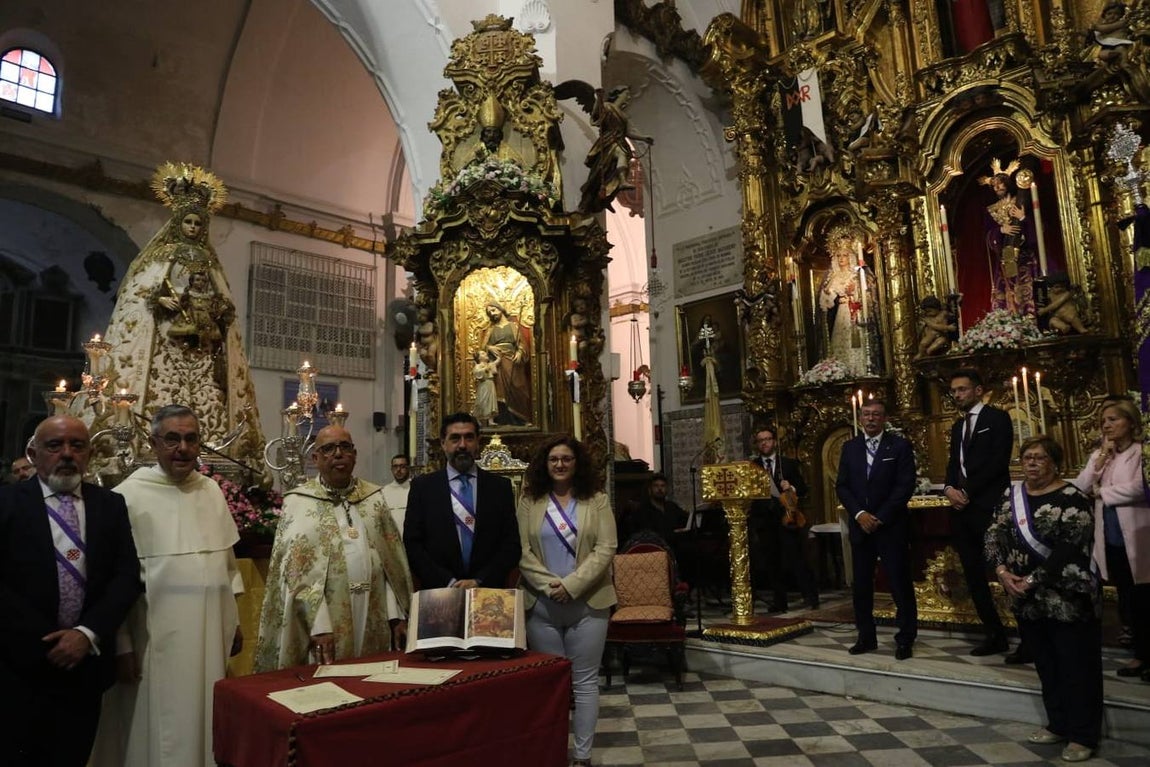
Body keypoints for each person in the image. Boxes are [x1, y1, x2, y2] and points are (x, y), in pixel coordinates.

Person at [96, 405, 243, 767]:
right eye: (173, 439)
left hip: (209, 632)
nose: (183, 448)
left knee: (205, 713)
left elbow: (227, 564)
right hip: (151, 640)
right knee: (155, 727)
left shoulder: (211, 490)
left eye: (191, 439)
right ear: (153, 443)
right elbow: (114, 581)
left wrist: (234, 621)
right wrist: (121, 646)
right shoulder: (128, 496)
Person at [102, 163, 267, 469]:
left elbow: (223, 302)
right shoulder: (159, 258)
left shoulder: (210, 262)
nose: (192, 228)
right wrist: (160, 300)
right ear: (178, 222)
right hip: (166, 347)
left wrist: (219, 310)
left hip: (204, 348)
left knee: (209, 400)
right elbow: (139, 298)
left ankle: (214, 449)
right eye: (188, 222)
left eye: (197, 223)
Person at [0, 415, 141, 767]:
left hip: (85, 667)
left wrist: (85, 633)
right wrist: (45, 641)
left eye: (77, 446)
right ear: (34, 454)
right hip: (17, 667)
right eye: (55, 445)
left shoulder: (110, 505)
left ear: (89, 454)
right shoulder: (6, 503)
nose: (66, 454)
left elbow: (126, 577)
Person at [254, 425, 412, 671]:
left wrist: (395, 615)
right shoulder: (300, 502)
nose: (338, 454)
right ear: (315, 458)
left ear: (354, 455)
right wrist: (319, 626)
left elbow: (390, 564)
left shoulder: (373, 499)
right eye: (328, 448)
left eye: (345, 447)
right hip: (324, 622)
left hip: (375, 611)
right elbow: (297, 575)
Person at [985, 436, 1100, 763]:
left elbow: (1070, 547)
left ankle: (1082, 735)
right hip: (1026, 599)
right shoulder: (1011, 496)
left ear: (1055, 463)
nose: (1032, 463)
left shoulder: (1072, 498)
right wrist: (1002, 571)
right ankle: (1058, 724)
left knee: (1075, 667)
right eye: (1027, 457)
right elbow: (992, 534)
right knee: (1047, 665)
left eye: (1040, 457)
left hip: (1065, 597)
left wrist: (1032, 579)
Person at [517, 435, 616, 767]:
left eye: (566, 459)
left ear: (577, 463)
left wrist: (571, 586)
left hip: (588, 604)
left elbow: (606, 548)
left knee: (585, 683)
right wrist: (549, 587)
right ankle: (553, 751)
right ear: (545, 464)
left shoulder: (597, 500)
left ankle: (582, 755)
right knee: (552, 686)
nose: (560, 464)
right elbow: (522, 551)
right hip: (542, 605)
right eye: (553, 459)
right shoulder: (530, 501)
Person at [1072, 398, 1150, 682]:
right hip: (1112, 537)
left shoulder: (1142, 452)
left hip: (1140, 533)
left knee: (1146, 597)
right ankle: (1141, 654)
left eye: (1113, 419)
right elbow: (1081, 485)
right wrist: (1100, 459)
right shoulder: (1101, 455)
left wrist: (1103, 493)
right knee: (1128, 597)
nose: (1106, 425)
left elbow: (1142, 487)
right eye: (1103, 421)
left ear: (1130, 422)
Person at [835, 400, 918, 659]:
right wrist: (860, 514)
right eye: (867, 414)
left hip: (890, 526)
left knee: (899, 583)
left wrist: (880, 517)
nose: (871, 419)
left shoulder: (899, 446)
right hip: (861, 527)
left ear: (884, 419)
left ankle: (905, 638)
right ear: (860, 418)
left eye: (876, 415)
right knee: (861, 585)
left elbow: (905, 486)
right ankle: (866, 637)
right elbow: (842, 486)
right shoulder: (850, 448)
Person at [404, 412, 520, 590]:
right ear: (443, 443)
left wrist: (480, 580)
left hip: (488, 591)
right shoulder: (423, 488)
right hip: (440, 591)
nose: (462, 445)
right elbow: (413, 544)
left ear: (478, 442)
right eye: (455, 438)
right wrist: (448, 581)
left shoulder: (499, 487)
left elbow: (511, 545)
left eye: (469, 438)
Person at [943, 368, 1014, 656]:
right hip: (963, 511)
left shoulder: (997, 419)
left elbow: (998, 462)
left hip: (989, 506)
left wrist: (968, 492)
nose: (957, 395)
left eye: (962, 389)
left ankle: (1028, 637)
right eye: (954, 391)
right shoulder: (958, 427)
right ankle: (993, 633)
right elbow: (953, 463)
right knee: (973, 574)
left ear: (978, 390)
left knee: (1005, 570)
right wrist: (949, 488)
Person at [749, 425, 818, 612]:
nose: (764, 443)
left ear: (774, 442)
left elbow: (803, 488)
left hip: (787, 518)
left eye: (767, 439)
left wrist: (791, 487)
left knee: (796, 558)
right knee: (772, 562)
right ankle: (780, 602)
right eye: (760, 440)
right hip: (765, 520)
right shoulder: (752, 466)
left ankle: (810, 596)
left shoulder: (787, 463)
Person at [982, 163, 1037, 315]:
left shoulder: (1020, 201)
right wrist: (1001, 230)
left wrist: (1022, 217)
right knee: (1007, 292)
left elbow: (1037, 228)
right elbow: (988, 236)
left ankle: (1030, 315)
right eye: (994, 185)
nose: (997, 187)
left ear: (1007, 184)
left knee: (1027, 288)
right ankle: (1009, 319)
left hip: (1024, 256)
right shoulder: (991, 210)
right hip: (1005, 258)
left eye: (1000, 183)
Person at [818, 238, 876, 377]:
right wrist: (827, 294)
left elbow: (867, 295)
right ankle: (840, 372)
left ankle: (860, 370)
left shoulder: (857, 274)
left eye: (844, 255)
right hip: (841, 312)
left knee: (856, 340)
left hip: (855, 311)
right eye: (838, 256)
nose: (841, 259)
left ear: (850, 257)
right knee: (841, 340)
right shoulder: (834, 277)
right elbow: (827, 302)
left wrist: (855, 292)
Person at [480, 302, 533, 426]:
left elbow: (521, 343)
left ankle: (521, 419)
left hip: (513, 361)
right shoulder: (491, 330)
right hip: (497, 363)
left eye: (493, 310)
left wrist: (520, 352)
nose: (492, 314)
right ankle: (502, 420)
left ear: (500, 309)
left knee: (518, 386)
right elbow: (482, 348)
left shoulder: (513, 326)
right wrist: (490, 347)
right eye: (489, 312)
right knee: (499, 391)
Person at [382, 453, 412, 531]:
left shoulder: (415, 489)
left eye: (402, 466)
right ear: (391, 469)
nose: (398, 470)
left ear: (408, 468)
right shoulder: (384, 491)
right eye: (395, 466)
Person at [471, 350, 498, 426]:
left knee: (491, 401)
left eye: (485, 353)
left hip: (490, 383)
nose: (485, 354)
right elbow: (477, 373)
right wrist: (485, 369)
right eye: (482, 353)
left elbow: (495, 364)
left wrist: (499, 358)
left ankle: (490, 420)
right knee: (483, 401)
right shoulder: (478, 365)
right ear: (479, 358)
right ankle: (477, 418)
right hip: (484, 385)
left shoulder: (489, 364)